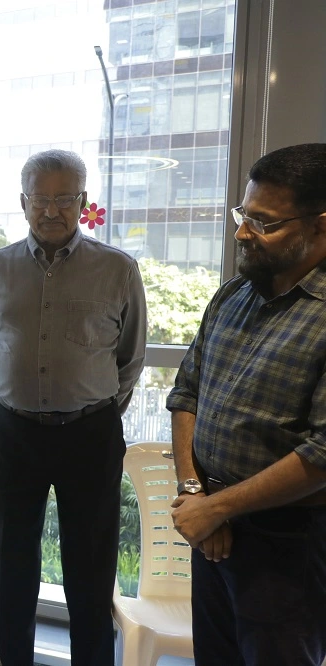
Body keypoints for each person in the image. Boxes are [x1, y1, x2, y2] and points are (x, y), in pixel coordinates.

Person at [0, 149, 147, 666]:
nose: (52, 210)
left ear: (83, 201)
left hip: (89, 434)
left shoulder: (117, 269)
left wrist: (92, 409)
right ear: (23, 203)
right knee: (11, 563)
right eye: (41, 200)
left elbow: (130, 357)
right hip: (14, 430)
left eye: (65, 199)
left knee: (90, 570)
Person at [167, 143, 326, 666]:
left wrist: (217, 508)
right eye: (243, 214)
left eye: (264, 222)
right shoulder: (234, 294)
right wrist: (197, 495)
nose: (242, 233)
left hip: (288, 543)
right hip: (212, 527)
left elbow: (322, 453)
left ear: (320, 225)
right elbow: (186, 393)